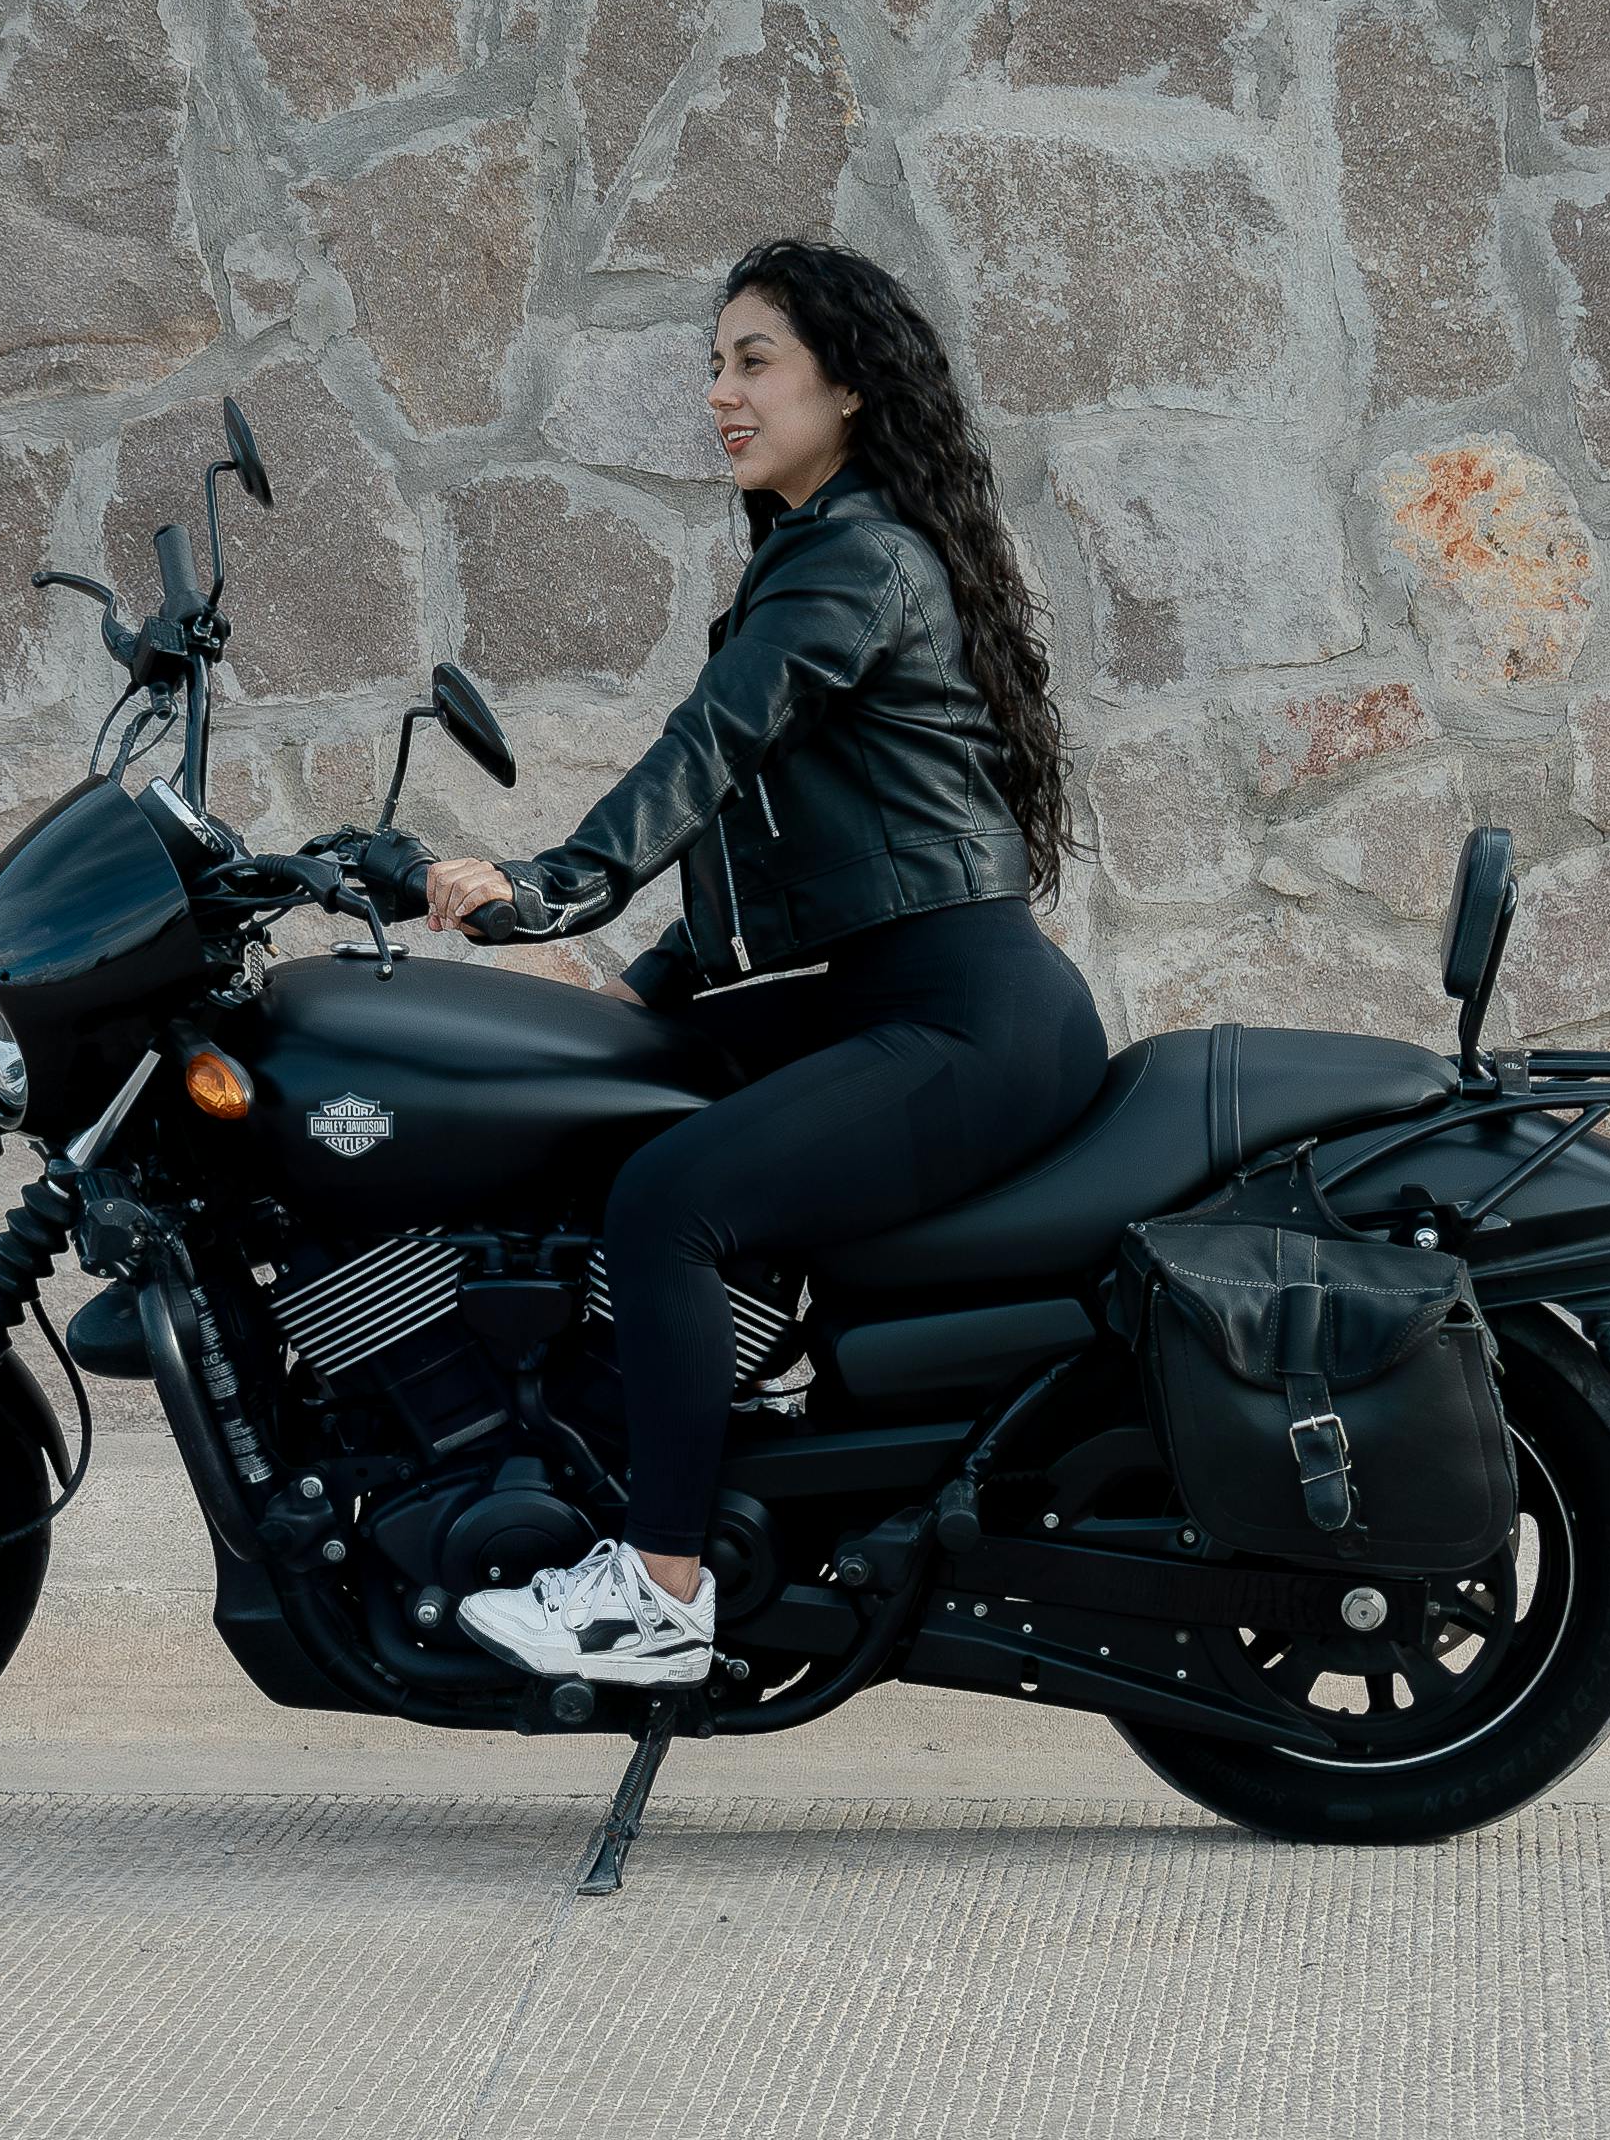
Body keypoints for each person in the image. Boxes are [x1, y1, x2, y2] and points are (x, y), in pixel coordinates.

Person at [412, 239, 1109, 1689]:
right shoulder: (828, 548)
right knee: (598, 1101)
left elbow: (714, 747)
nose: (718, 392)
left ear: (846, 388)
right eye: (714, 364)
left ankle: (659, 1593)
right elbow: (788, 843)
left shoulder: (854, 559)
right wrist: (645, 991)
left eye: (753, 361)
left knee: (668, 1197)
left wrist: (549, 887)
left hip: (964, 1018)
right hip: (901, 989)